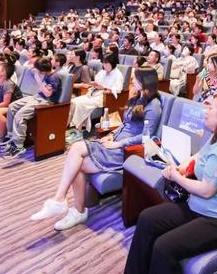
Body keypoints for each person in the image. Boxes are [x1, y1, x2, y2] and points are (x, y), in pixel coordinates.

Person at [124, 93, 217, 274]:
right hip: (198, 205)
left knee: (163, 247)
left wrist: (177, 177)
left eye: (210, 108)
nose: (205, 111)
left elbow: (207, 190)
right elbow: (199, 155)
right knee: (147, 218)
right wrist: (182, 166)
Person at [31, 68, 162, 230]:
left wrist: (118, 144)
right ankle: (74, 209)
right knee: (76, 162)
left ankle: (62, 202)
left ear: (144, 82)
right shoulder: (138, 98)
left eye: (134, 79)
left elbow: (145, 137)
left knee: (76, 150)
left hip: (126, 151)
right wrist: (112, 135)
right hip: (115, 144)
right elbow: (125, 125)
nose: (131, 81)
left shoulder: (154, 105)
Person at [0, 57, 62, 159]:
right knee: (12, 106)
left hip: (46, 102)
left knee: (20, 115)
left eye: (37, 69)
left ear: (41, 70)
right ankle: (10, 136)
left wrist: (37, 77)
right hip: (37, 97)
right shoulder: (46, 73)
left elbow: (48, 93)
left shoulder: (54, 77)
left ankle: (18, 146)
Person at [67, 53, 124, 134]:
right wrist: (94, 84)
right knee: (73, 101)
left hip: (103, 97)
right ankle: (67, 127)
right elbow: (96, 81)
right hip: (93, 93)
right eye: (104, 64)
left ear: (113, 64)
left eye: (107, 64)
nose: (104, 66)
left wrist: (104, 88)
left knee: (80, 104)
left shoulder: (118, 74)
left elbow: (118, 89)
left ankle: (78, 131)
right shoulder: (102, 72)